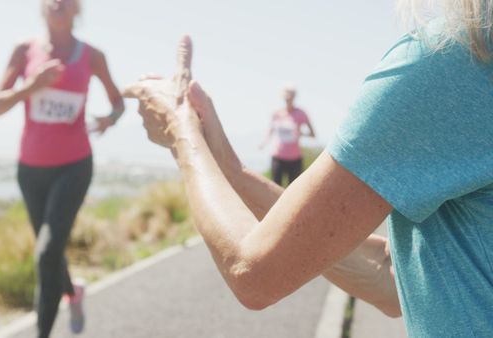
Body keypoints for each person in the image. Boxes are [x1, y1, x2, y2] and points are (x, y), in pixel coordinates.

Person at [123, 1, 493, 336]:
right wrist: (228, 167)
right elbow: (395, 277)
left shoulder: (452, 58)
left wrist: (181, 132)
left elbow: (253, 275)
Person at [0, 0, 125, 336]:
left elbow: (118, 101)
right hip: (31, 169)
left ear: (77, 10)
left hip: (74, 165)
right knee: (48, 251)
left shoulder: (93, 55)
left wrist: (110, 118)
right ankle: (72, 292)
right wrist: (31, 86)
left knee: (47, 252)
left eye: (66, 0)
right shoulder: (24, 50)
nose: (58, 4)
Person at [260, 85, 315, 186]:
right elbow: (271, 131)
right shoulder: (276, 113)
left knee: (294, 188)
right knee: (275, 187)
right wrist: (263, 143)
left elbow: (313, 134)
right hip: (278, 156)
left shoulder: (301, 113)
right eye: (287, 94)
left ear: (294, 96)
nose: (288, 97)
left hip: (295, 158)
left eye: (291, 94)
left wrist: (301, 133)